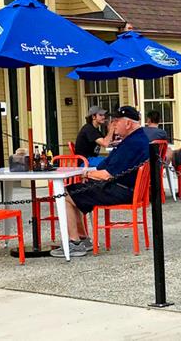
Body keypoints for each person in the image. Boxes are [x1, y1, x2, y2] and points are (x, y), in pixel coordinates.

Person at [52, 106, 150, 258]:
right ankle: (82, 239)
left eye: (116, 121)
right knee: (74, 191)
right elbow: (104, 165)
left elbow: (106, 175)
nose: (113, 124)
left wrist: (87, 173)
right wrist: (92, 173)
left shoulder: (132, 144)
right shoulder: (136, 139)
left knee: (65, 194)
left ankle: (75, 243)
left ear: (128, 124)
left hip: (121, 190)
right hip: (126, 188)